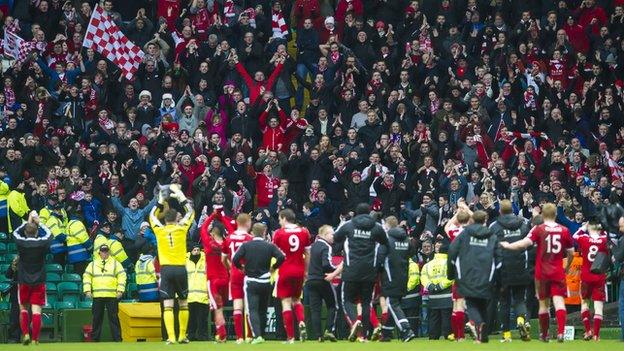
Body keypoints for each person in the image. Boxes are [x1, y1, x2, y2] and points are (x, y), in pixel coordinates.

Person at [500, 203, 574, 343]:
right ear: (555, 215)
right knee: (559, 302)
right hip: (558, 270)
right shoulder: (564, 230)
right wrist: (567, 266)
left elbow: (524, 243)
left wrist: (509, 246)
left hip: (542, 272)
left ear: (543, 215)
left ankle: (544, 335)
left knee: (543, 304)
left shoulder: (538, 229)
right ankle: (561, 332)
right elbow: (570, 253)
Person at [334, 203, 387, 341]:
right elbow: (385, 242)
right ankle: (365, 335)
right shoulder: (376, 227)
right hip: (370, 272)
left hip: (351, 271)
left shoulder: (349, 225)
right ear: (369, 212)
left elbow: (336, 237)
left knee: (347, 301)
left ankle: (354, 323)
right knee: (365, 303)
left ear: (356, 213)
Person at [149, 184, 195, 344]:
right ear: (177, 218)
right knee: (183, 303)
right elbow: (190, 212)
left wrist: (161, 198)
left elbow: (152, 215)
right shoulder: (182, 228)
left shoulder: (159, 230)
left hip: (166, 270)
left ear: (165, 219)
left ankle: (171, 337)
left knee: (168, 305)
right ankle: (182, 335)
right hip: (181, 269)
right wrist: (179, 194)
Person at [449, 210, 501, 344]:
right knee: (483, 305)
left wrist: (451, 273)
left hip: (468, 274)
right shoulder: (491, 235)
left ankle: (479, 324)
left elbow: (452, 251)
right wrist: (499, 277)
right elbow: (498, 257)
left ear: (473, 220)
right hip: (487, 275)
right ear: (485, 221)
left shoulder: (465, 234)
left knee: (471, 304)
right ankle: (482, 334)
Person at [232, 222, 285, 344]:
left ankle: (258, 335)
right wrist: (274, 267)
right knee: (263, 309)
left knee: (253, 309)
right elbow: (281, 257)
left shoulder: (246, 245)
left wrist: (241, 268)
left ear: (252, 233)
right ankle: (263, 334)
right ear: (264, 233)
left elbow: (235, 259)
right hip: (266, 281)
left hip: (251, 281)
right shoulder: (269, 246)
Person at [489, 199, 531, 342]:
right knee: (520, 299)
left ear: (500, 210)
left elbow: (490, 247)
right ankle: (520, 320)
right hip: (521, 267)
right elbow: (530, 245)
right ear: (512, 210)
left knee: (504, 302)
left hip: (503, 268)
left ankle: (506, 335)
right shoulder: (523, 225)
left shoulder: (494, 226)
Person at [13, 211, 52, 345]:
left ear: (26, 232)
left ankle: (25, 334)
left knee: (23, 308)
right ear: (36, 233)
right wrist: (38, 221)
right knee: (36, 312)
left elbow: (15, 232)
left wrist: (27, 222)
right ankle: (35, 339)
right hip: (39, 281)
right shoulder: (41, 243)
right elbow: (49, 234)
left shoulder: (21, 242)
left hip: (24, 280)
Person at [272, 209, 311, 343]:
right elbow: (307, 254)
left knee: (286, 302)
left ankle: (290, 337)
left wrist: (273, 268)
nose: (279, 222)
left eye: (279, 219)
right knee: (297, 300)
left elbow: (275, 253)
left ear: (284, 218)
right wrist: (306, 271)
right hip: (299, 271)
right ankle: (301, 322)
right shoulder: (304, 232)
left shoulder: (279, 234)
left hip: (285, 270)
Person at [377, 216, 416, 342]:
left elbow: (380, 258)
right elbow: (411, 252)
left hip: (389, 277)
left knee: (392, 304)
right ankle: (386, 333)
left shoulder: (386, 240)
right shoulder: (406, 239)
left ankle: (406, 330)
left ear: (387, 226)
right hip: (403, 276)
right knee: (394, 303)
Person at [199, 208, 232, 342]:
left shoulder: (208, 242)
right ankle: (221, 334)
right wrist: (222, 217)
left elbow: (203, 228)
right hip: (225, 279)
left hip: (213, 280)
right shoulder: (227, 242)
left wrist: (213, 215)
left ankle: (222, 334)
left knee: (217, 309)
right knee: (221, 307)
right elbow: (231, 230)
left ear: (212, 232)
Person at [573, 217, 609, 341]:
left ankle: (588, 330)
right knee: (599, 307)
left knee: (584, 303)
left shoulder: (584, 239)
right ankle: (596, 335)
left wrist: (583, 227)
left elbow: (575, 235)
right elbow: (607, 234)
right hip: (599, 277)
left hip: (586, 276)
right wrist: (601, 229)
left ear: (589, 227)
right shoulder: (604, 239)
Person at [82, 244, 126, 342]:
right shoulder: (92, 264)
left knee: (114, 318)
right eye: (103, 251)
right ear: (99, 252)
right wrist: (87, 290)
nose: (105, 253)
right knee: (96, 318)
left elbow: (122, 276)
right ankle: (95, 339)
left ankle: (117, 338)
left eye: (106, 251)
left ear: (109, 252)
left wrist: (120, 290)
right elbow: (87, 277)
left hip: (112, 295)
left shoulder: (115, 263)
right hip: (97, 295)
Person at [221, 213, 254, 343]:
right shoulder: (249, 238)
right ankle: (249, 336)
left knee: (237, 305)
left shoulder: (228, 238)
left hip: (234, 273)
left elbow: (223, 258)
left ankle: (239, 337)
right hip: (247, 273)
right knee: (248, 306)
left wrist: (230, 268)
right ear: (246, 223)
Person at [306, 225, 340, 342]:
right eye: (331, 234)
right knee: (332, 305)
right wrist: (336, 270)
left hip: (311, 280)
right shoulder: (326, 246)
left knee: (315, 309)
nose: (333, 236)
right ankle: (329, 330)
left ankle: (318, 336)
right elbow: (326, 264)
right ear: (324, 235)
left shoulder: (313, 246)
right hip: (322, 280)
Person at [444, 201, 471, 342]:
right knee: (462, 304)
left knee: (456, 304)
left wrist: (458, 212)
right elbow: (478, 221)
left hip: (458, 271)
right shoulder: (473, 231)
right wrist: (466, 208)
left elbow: (447, 226)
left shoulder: (454, 232)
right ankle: (461, 336)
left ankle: (457, 335)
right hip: (471, 270)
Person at [420, 240, 453, 340]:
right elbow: (451, 277)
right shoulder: (449, 263)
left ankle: (433, 337)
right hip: (446, 295)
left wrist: (430, 286)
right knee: (446, 318)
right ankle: (448, 336)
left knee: (434, 318)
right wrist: (440, 286)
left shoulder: (428, 264)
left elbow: (423, 277)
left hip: (432, 296)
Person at [186, 244, 209, 341]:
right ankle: (191, 335)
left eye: (198, 250)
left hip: (202, 294)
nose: (196, 252)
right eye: (194, 250)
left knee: (202, 318)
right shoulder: (185, 261)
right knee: (191, 318)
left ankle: (202, 335)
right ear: (191, 251)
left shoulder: (205, 260)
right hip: (190, 295)